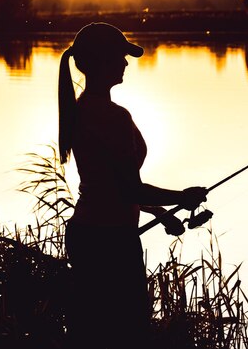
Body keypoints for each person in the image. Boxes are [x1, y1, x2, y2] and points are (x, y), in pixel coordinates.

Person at [57, 22, 208, 348]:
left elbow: (108, 184)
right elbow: (128, 189)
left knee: (91, 333)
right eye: (120, 56)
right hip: (111, 241)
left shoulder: (81, 109)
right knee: (127, 333)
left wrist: (161, 211)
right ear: (103, 61)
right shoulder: (112, 116)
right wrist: (182, 197)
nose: (126, 63)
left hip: (89, 234)